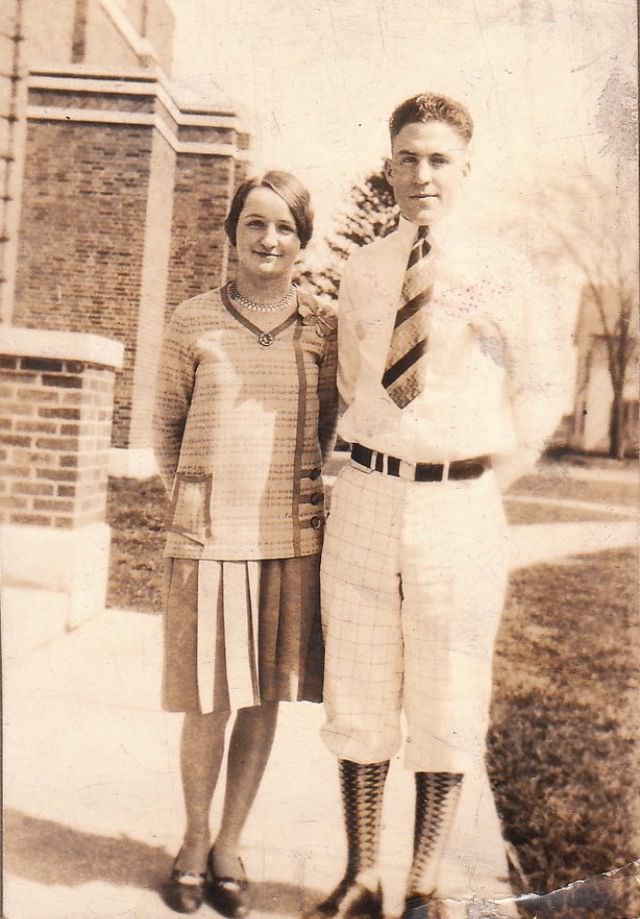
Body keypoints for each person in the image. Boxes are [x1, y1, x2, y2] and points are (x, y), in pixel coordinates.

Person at [307, 93, 567, 919]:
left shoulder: (498, 269)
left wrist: (488, 477)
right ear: (389, 166)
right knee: (358, 688)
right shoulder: (364, 268)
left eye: (440, 159)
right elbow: (356, 380)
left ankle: (425, 884)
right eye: (409, 157)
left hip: (459, 505)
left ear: (466, 168)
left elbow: (542, 387)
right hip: (368, 496)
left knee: (449, 691)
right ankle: (362, 876)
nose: (423, 174)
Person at [153, 170, 338, 915]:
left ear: (302, 241)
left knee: (263, 702)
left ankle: (232, 841)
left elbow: (326, 428)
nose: (269, 240)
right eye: (254, 224)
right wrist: (198, 500)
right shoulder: (193, 320)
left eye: (284, 227)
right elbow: (165, 428)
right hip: (209, 542)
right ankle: (194, 839)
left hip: (289, 539)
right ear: (231, 234)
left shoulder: (320, 327)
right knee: (209, 703)